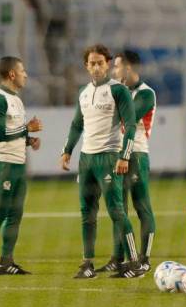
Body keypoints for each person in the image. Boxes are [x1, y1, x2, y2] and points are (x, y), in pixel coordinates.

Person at [60, 44, 144, 279]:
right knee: (87, 213)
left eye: (100, 63)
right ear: (86, 66)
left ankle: (135, 263)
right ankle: (87, 264)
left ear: (107, 64)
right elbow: (77, 124)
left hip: (109, 158)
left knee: (117, 211)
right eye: (91, 63)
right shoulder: (84, 92)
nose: (96, 67)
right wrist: (67, 150)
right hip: (86, 159)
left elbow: (130, 126)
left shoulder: (118, 91)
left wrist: (124, 156)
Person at [0, 56, 42, 276]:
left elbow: (13, 133)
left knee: (15, 214)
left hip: (18, 164)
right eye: (22, 70)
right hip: (1, 164)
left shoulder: (16, 99)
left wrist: (28, 140)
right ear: (12, 74)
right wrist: (27, 129)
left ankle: (7, 261)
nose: (25, 74)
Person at [111, 50, 157, 272]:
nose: (114, 71)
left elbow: (128, 117)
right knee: (118, 208)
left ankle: (144, 259)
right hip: (117, 155)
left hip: (137, 154)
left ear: (128, 68)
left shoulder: (147, 94)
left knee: (142, 206)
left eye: (117, 66)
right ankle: (118, 259)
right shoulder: (120, 92)